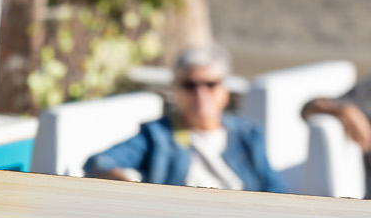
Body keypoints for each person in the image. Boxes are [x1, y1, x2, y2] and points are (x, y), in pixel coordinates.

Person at [85, 44, 283, 190]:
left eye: (210, 84)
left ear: (225, 91)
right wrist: (135, 190)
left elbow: (276, 191)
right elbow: (99, 163)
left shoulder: (248, 134)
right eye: (190, 85)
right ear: (176, 92)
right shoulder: (157, 135)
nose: (200, 93)